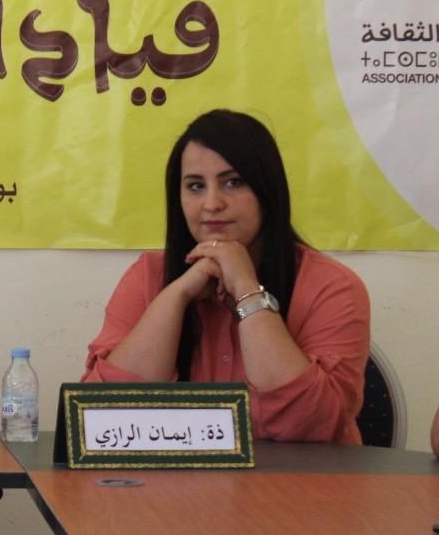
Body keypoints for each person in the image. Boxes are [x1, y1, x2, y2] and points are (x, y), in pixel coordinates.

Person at [81, 109, 371, 445]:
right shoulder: (147, 277)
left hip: (301, 479)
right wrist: (176, 295)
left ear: (267, 189)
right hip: (174, 479)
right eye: (195, 186)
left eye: (233, 182)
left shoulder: (333, 286)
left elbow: (310, 425)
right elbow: (101, 418)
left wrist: (247, 290)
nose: (212, 203)